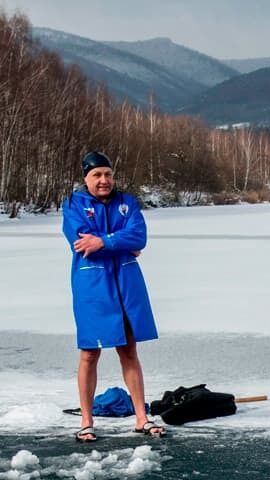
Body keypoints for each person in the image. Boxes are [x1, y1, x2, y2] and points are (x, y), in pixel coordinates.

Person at [62, 151, 166, 443]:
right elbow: (81, 242)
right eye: (97, 175)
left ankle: (141, 417)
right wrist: (121, 243)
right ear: (86, 178)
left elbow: (138, 237)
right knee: (89, 353)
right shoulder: (73, 204)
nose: (104, 180)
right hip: (93, 287)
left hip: (126, 284)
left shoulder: (127, 202)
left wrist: (105, 241)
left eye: (108, 174)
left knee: (129, 350)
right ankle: (86, 421)